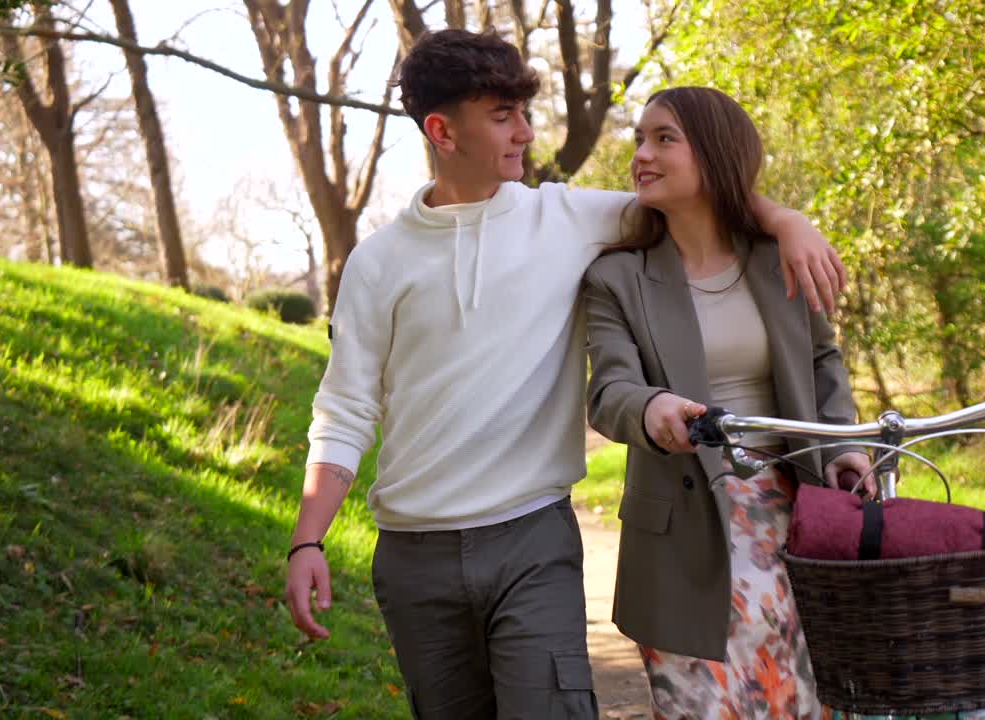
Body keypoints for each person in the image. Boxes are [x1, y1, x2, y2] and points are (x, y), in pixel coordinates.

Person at [283, 30, 848, 720]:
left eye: (524, 111)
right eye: (503, 116)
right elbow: (344, 410)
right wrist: (309, 537)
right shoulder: (378, 263)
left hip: (532, 537)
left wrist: (784, 218)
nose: (526, 132)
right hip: (413, 554)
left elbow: (697, 195)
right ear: (442, 129)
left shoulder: (567, 217)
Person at [583, 86, 874, 719]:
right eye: (639, 138)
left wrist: (846, 445)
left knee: (804, 701)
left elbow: (823, 359)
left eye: (664, 138)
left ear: (714, 153)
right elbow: (609, 391)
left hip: (797, 518)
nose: (642, 154)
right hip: (685, 534)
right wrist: (653, 409)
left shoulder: (780, 258)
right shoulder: (616, 277)